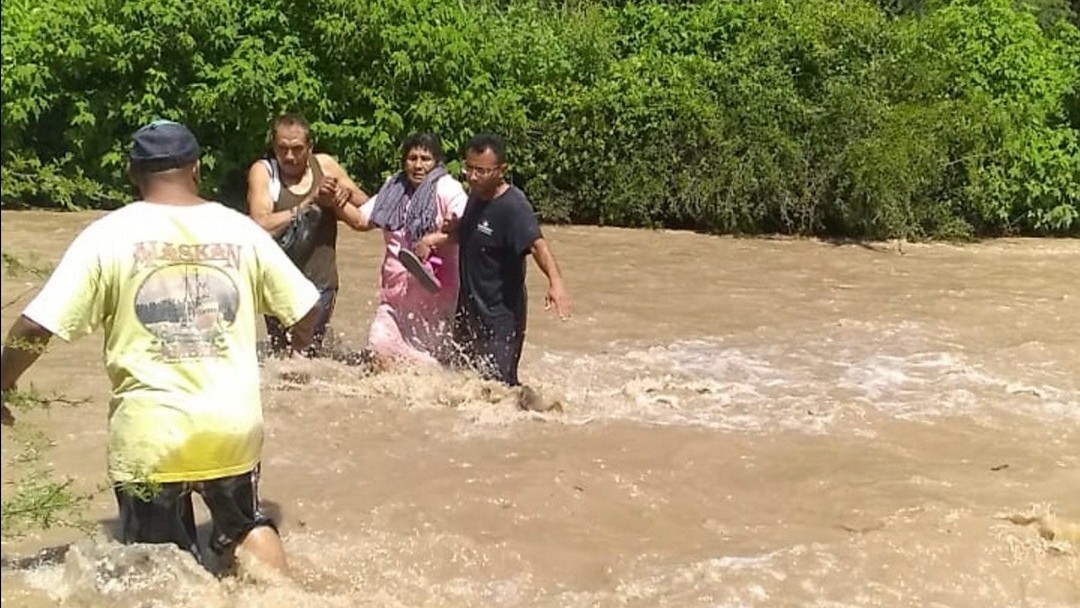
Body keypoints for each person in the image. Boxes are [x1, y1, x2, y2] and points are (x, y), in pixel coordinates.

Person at [0, 120, 321, 575]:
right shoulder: (242, 230)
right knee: (244, 526)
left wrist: (3, 382)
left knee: (160, 569)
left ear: (133, 173)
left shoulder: (106, 235)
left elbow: (35, 327)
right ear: (197, 169)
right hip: (231, 424)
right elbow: (306, 309)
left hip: (152, 434)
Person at [451, 133, 571, 399]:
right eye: (468, 168)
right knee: (463, 383)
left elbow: (538, 244)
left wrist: (556, 282)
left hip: (501, 317)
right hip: (469, 310)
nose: (473, 176)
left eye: (482, 171)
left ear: (502, 170)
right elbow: (476, 237)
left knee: (497, 391)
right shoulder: (476, 196)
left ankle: (538, 414)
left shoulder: (513, 206)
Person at [338, 133, 468, 368]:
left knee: (429, 369)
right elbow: (361, 221)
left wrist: (436, 238)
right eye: (412, 158)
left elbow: (469, 229)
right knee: (379, 352)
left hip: (435, 297)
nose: (418, 165)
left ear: (437, 162)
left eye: (425, 158)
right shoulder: (393, 188)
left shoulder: (449, 189)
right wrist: (332, 202)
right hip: (395, 295)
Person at [247, 113, 369, 356]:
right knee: (282, 357)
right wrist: (307, 204)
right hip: (277, 281)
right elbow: (259, 226)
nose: (289, 156)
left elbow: (366, 208)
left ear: (310, 147)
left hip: (320, 281)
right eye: (282, 149)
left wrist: (338, 197)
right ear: (274, 146)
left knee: (306, 357)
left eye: (297, 149)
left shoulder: (325, 166)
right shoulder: (264, 172)